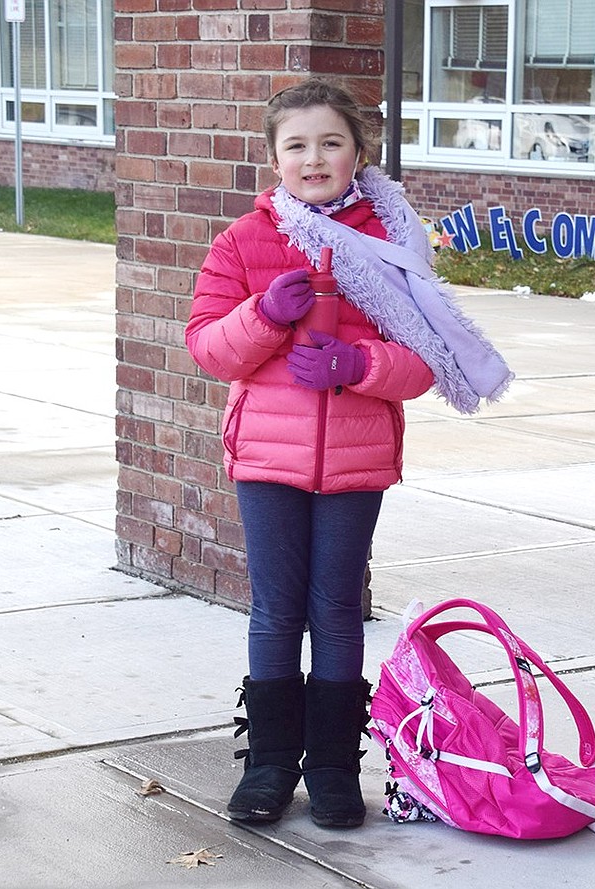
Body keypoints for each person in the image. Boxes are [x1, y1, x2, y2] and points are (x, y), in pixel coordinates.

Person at [185, 77, 511, 829]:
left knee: (335, 609)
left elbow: (424, 362)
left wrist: (356, 368)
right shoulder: (243, 242)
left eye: (331, 141)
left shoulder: (390, 247)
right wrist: (265, 315)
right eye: (295, 145)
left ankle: (333, 768)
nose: (314, 157)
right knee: (274, 609)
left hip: (356, 460)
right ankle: (269, 764)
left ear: (358, 151)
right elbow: (208, 347)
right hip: (268, 458)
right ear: (272, 159)